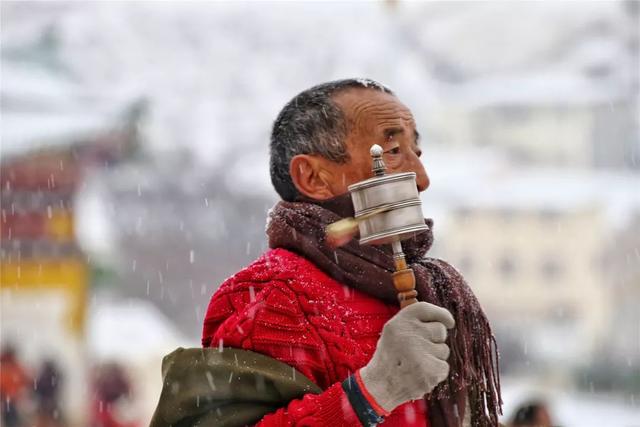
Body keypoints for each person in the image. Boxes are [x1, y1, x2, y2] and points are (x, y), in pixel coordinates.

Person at [151, 79, 501, 427]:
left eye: (417, 153)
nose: (421, 178)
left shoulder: (425, 287)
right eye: (391, 152)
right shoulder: (271, 296)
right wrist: (374, 391)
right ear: (313, 177)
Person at [0, 344, 31, 427]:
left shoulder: (11, 369)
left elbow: (26, 381)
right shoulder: (14, 369)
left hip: (12, 402)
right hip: (12, 402)